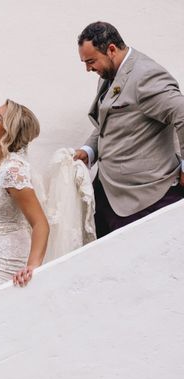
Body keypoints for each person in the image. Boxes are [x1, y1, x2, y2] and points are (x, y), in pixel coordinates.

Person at [73, 21, 184, 237]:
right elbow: (108, 120)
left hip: (145, 197)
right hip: (110, 192)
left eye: (91, 61)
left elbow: (181, 112)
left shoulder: (145, 75)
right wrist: (88, 151)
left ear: (111, 49)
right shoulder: (109, 74)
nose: (88, 69)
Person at [0, 99, 49, 295]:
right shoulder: (0, 162)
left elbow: (40, 223)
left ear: (8, 131)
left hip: (7, 266)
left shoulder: (13, 171)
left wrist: (33, 267)